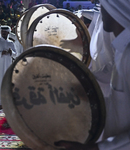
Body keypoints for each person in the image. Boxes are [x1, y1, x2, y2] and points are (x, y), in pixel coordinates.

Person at [54, 0, 130, 150]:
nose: (100, 13)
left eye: (104, 7)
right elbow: (108, 80)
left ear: (116, 9)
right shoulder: (122, 52)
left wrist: (98, 148)